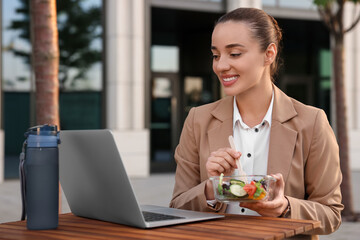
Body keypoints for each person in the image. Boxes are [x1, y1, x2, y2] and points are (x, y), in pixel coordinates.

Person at [169, 7, 343, 238]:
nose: (220, 66)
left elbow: (331, 214)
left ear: (269, 53)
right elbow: (176, 207)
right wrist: (211, 189)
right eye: (216, 55)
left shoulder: (312, 122)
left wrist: (285, 207)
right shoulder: (198, 120)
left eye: (235, 54)